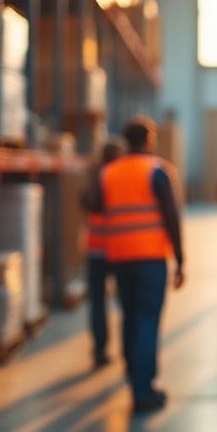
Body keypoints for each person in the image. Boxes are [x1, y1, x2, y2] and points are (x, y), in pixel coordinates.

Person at [101, 116, 186, 414]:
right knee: (148, 320)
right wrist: (180, 257)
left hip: (119, 256)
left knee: (129, 316)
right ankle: (143, 390)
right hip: (150, 257)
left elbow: (96, 207)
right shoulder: (157, 171)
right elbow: (171, 216)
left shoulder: (109, 172)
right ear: (148, 139)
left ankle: (132, 374)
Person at [82, 139, 124, 369]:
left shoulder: (95, 179)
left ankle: (100, 349)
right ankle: (129, 350)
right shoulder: (118, 178)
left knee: (98, 302)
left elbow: (86, 203)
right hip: (119, 249)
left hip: (96, 249)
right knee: (126, 302)